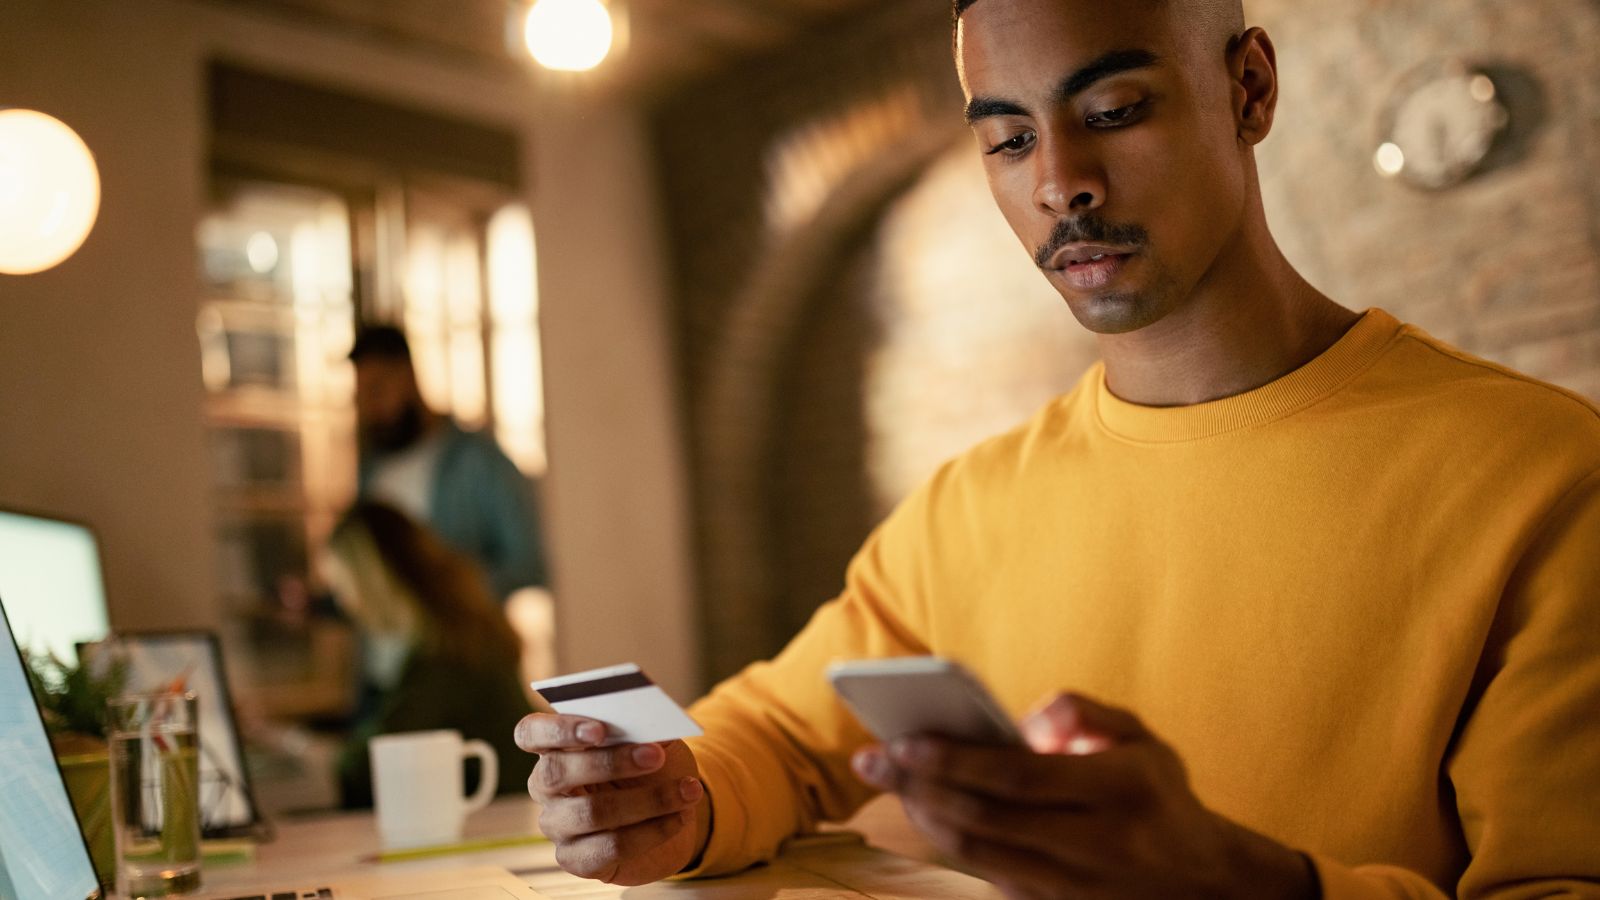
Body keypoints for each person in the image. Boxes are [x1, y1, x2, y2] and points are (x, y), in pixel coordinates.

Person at [515, 0, 1600, 896]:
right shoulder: (970, 507)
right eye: (1008, 138)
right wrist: (672, 798)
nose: (1058, 183)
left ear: (1249, 89)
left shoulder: (1541, 475)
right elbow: (776, 737)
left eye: (1114, 110)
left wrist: (1227, 878)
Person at [324, 501, 532, 808]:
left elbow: (371, 767)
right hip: (512, 812)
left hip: (499, 821)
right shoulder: (462, 630)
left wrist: (297, 747)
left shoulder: (446, 655)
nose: (344, 602)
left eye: (343, 586)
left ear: (372, 580)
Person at [349, 325, 548, 602]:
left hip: (462, 644)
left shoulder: (476, 459)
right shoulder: (370, 472)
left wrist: (453, 594)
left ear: (407, 377)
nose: (371, 407)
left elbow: (529, 560)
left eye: (377, 389)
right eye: (361, 396)